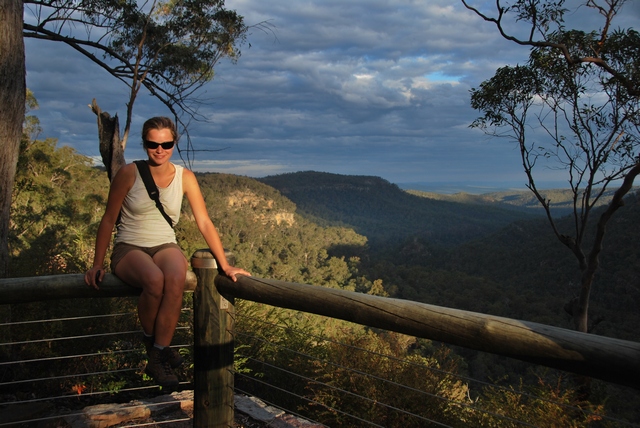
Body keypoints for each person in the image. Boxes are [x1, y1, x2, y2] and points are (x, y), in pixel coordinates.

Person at [85, 116, 250, 387]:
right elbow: (108, 219)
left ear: (174, 143)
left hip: (165, 244)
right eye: (153, 144)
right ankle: (155, 346)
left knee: (175, 278)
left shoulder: (185, 178)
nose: (159, 150)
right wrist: (97, 263)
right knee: (154, 279)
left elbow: (204, 222)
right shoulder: (129, 173)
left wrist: (225, 265)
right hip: (129, 246)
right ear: (144, 144)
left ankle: (158, 353)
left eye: (166, 144)